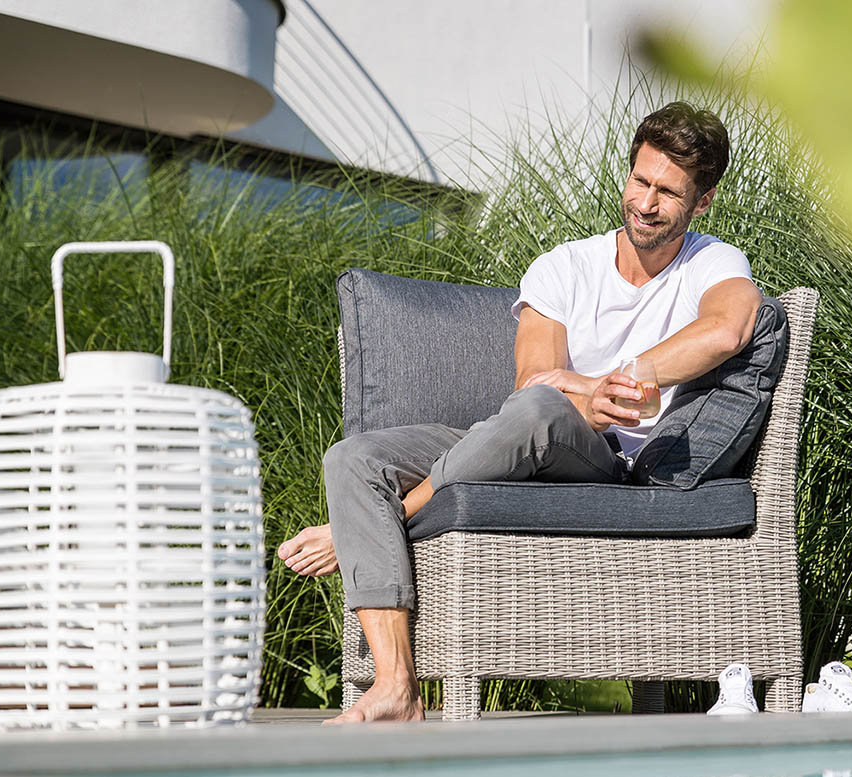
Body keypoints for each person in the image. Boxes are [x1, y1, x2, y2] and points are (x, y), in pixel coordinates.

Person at [277, 102, 762, 724]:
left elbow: (727, 329)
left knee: (537, 410)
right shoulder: (565, 266)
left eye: (668, 193)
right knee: (355, 457)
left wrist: (626, 378)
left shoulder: (712, 262)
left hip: (606, 462)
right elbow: (535, 379)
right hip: (524, 433)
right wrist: (589, 396)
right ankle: (397, 686)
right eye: (640, 180)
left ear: (702, 203)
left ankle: (384, 521)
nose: (645, 202)